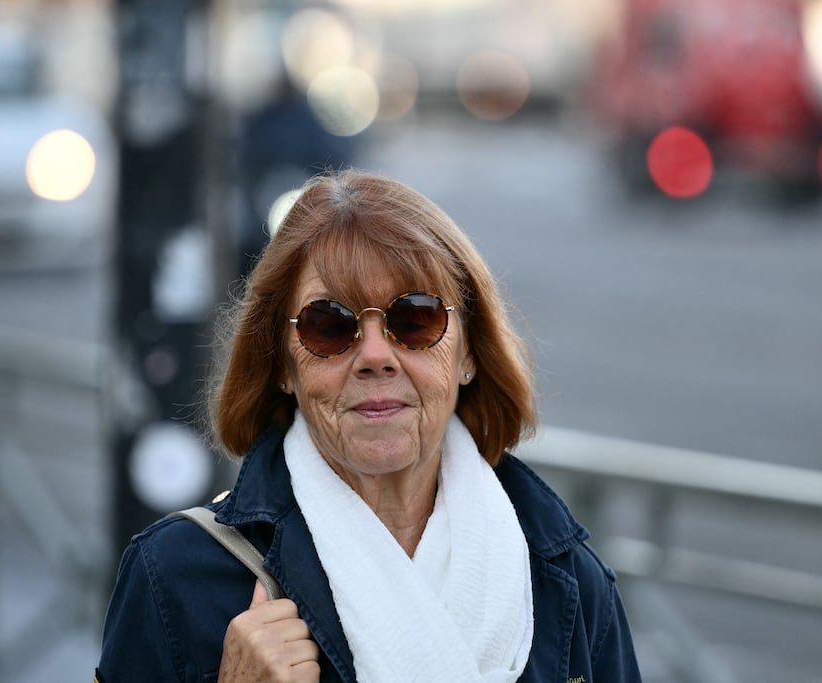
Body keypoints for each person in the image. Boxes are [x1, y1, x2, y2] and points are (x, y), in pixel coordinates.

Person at [96, 169, 642, 682]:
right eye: (329, 325)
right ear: (284, 365)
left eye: (416, 318)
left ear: (470, 352)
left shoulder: (567, 581)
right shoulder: (175, 578)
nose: (376, 355)